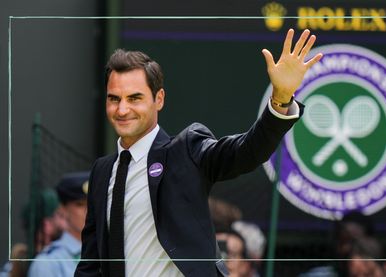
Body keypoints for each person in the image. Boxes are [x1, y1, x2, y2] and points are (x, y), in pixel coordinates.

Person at [75, 28, 323, 277]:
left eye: (135, 98)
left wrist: (281, 98)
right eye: (114, 99)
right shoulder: (102, 171)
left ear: (158, 99)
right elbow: (91, 264)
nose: (122, 109)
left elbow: (246, 152)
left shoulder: (185, 150)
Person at [28, 171, 89, 277]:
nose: (88, 210)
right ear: (63, 209)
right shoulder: (48, 263)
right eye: (80, 204)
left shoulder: (111, 251)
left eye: (93, 203)